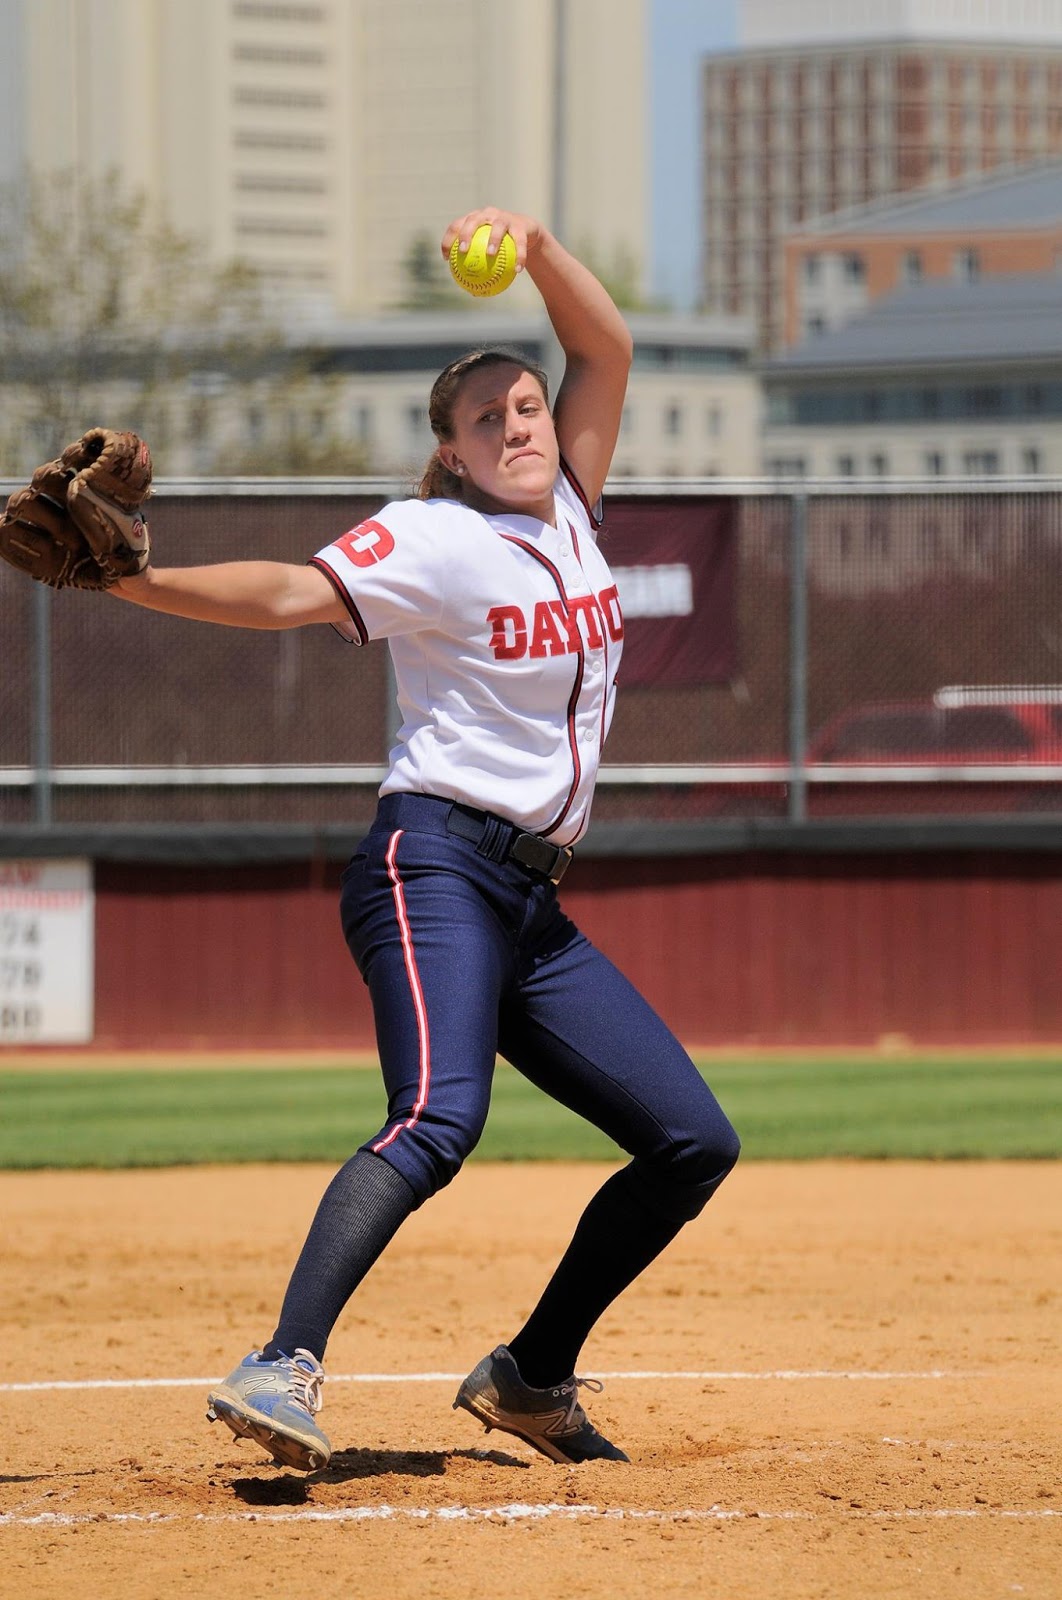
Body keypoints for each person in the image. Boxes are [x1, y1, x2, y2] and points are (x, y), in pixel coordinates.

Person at [111, 206, 741, 1471]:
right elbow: (290, 593)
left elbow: (606, 349)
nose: (519, 425)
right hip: (434, 864)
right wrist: (125, 575)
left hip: (535, 908)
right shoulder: (435, 537)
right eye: (488, 418)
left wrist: (548, 243)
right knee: (437, 1120)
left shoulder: (572, 508)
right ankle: (281, 1360)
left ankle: (530, 1375)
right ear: (447, 453)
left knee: (693, 1141)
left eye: (527, 407)